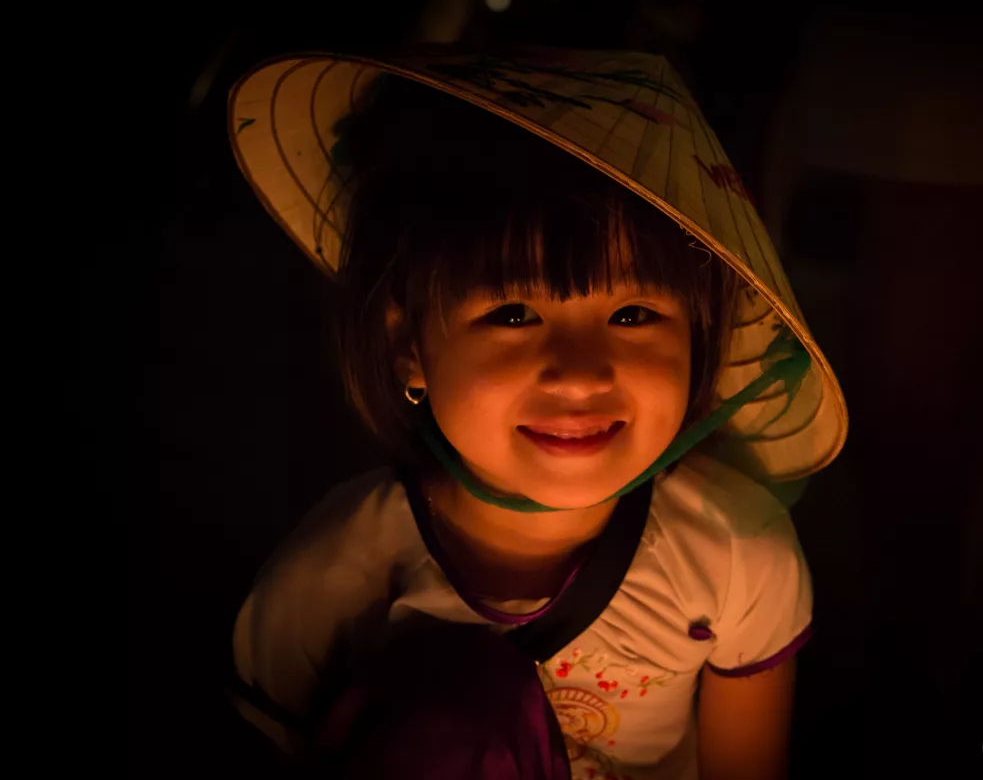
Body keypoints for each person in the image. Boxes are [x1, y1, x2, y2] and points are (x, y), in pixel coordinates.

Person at [224, 48, 847, 779]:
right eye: (514, 314)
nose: (581, 376)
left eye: (634, 314)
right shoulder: (328, 582)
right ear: (407, 345)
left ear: (697, 338)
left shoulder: (738, 557)